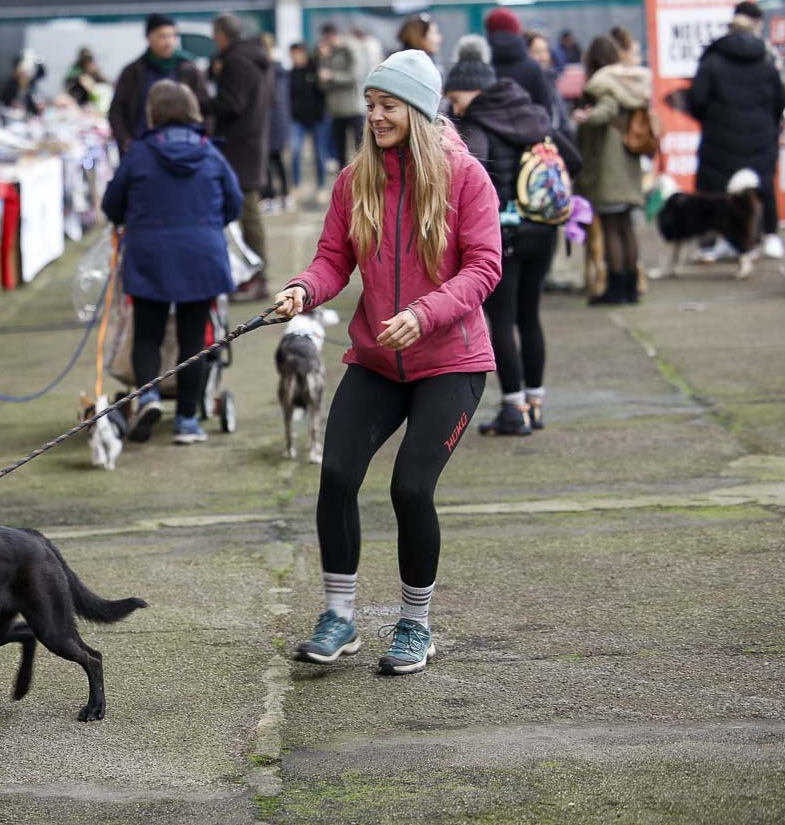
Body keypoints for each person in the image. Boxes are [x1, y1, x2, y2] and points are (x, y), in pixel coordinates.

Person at [275, 49, 501, 676]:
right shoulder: (355, 182)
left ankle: (415, 625)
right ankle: (339, 616)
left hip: (450, 363)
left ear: (420, 110)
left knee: (410, 487)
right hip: (378, 360)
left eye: (388, 105)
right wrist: (303, 289)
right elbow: (331, 260)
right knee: (337, 476)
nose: (374, 115)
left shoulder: (465, 177)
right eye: (370, 105)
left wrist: (426, 313)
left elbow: (485, 266)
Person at [445, 36, 581, 437]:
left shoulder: (477, 122)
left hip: (505, 234)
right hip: (544, 229)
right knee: (530, 315)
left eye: (455, 97)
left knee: (500, 320)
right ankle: (535, 403)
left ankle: (512, 409)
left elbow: (475, 178)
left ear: (472, 88)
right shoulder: (532, 113)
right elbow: (573, 159)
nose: (453, 106)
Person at [102, 82, 243, 445]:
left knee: (147, 334)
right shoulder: (210, 152)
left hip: (149, 254)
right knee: (193, 339)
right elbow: (234, 203)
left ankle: (148, 396)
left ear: (153, 112)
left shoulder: (139, 153)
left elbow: (111, 205)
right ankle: (186, 421)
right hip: (201, 255)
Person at [688, 1, 785, 261]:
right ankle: (769, 236)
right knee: (762, 186)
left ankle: (717, 242)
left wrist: (711, 120)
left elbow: (696, 99)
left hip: (719, 139)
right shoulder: (766, 59)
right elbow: (780, 100)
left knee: (716, 191)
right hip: (760, 138)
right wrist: (768, 126)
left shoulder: (711, 58)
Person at [574, 35, 651, 305]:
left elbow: (606, 110)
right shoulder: (629, 83)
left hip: (608, 168)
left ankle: (616, 288)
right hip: (628, 166)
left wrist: (586, 117)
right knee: (626, 227)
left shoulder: (603, 84)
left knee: (611, 228)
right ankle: (631, 286)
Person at [211, 13, 275, 300]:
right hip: (253, 140)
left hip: (238, 145)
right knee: (247, 212)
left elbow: (232, 104)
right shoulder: (256, 58)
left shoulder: (235, 61)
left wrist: (202, 103)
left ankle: (257, 277)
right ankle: (252, 274)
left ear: (221, 34)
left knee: (248, 213)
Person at [109, 13, 213, 154]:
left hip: (185, 148)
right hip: (142, 148)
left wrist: (203, 138)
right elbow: (117, 111)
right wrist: (125, 141)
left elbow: (205, 107)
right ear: (149, 37)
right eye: (162, 36)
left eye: (172, 36)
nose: (168, 42)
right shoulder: (134, 71)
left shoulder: (188, 68)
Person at [483, 8, 554, 115]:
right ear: (516, 31)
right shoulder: (532, 68)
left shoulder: (482, 68)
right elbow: (546, 111)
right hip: (529, 129)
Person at [320, 25, 366, 171]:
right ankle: (343, 179)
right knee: (340, 149)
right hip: (336, 109)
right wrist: (322, 58)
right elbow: (321, 81)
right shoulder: (327, 54)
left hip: (353, 107)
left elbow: (354, 76)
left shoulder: (349, 49)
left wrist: (332, 76)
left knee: (360, 146)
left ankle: (364, 172)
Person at [288, 42, 330, 198]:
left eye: (297, 54)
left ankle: (321, 186)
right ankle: (296, 185)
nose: (295, 58)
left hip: (318, 119)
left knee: (319, 153)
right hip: (298, 119)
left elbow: (323, 88)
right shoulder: (292, 72)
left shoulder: (315, 67)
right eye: (292, 55)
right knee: (295, 150)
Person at [524, 28, 575, 140]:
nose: (543, 57)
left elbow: (561, 118)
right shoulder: (526, 84)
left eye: (545, 51)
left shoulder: (550, 79)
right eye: (537, 52)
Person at [262, 33, 292, 213]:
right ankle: (276, 196)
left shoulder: (274, 69)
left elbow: (275, 98)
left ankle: (278, 196)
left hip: (273, 121)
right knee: (273, 160)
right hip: (275, 121)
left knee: (273, 161)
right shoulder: (278, 69)